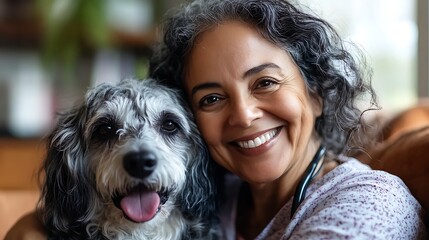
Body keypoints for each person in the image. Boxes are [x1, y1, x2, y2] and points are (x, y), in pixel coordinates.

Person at [6, 0, 427, 239]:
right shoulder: (218, 191)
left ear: (316, 92)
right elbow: (41, 221)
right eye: (211, 97)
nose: (243, 115)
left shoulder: (369, 205)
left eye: (264, 82)